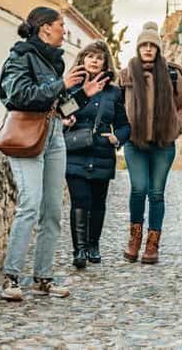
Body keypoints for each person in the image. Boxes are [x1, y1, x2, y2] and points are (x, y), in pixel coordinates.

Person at [0, 7, 108, 302]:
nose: (64, 31)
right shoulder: (20, 57)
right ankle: (11, 278)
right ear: (45, 28)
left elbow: (58, 107)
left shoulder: (54, 62)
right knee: (30, 206)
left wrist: (86, 94)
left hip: (54, 135)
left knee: (52, 211)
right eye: (61, 26)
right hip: (27, 138)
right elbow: (18, 96)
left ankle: (43, 279)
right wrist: (63, 84)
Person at [119, 22, 182, 264]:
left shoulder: (172, 75)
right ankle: (134, 239)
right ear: (138, 48)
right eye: (144, 45)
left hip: (163, 144)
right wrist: (122, 128)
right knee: (139, 188)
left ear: (158, 49)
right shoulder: (126, 75)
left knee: (157, 193)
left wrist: (173, 128)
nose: (148, 49)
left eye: (153, 45)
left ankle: (152, 245)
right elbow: (115, 107)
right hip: (134, 143)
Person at [63, 41, 130, 268]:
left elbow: (124, 125)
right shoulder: (71, 89)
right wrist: (66, 120)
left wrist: (117, 138)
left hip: (102, 152)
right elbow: (59, 115)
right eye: (89, 56)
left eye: (98, 57)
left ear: (105, 63)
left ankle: (93, 245)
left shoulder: (114, 92)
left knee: (98, 202)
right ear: (82, 60)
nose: (93, 61)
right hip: (76, 151)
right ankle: (79, 250)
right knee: (80, 200)